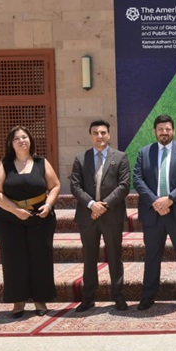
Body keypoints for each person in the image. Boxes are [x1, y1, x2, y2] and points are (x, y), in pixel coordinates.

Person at [0, 126, 60, 318]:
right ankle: (18, 301)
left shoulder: (41, 162)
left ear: (30, 140)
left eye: (24, 137)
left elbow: (55, 186)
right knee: (14, 259)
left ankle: (40, 300)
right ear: (10, 144)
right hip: (9, 220)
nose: (21, 141)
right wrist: (15, 210)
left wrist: (49, 205)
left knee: (41, 259)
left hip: (40, 219)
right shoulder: (4, 164)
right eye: (16, 138)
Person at [133, 114, 176, 310]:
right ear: (155, 131)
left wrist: (170, 199)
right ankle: (148, 295)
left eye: (168, 129)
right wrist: (155, 202)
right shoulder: (144, 152)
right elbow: (137, 180)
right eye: (161, 129)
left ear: (173, 131)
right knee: (152, 256)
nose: (164, 132)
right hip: (153, 213)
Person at [69, 120, 131, 313]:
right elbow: (75, 186)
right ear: (90, 135)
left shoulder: (120, 157)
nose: (99, 136)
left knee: (115, 257)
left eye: (103, 132)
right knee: (89, 258)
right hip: (87, 216)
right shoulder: (81, 158)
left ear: (109, 135)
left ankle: (118, 297)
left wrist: (104, 205)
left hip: (112, 215)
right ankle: (88, 298)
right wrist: (91, 204)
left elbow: (124, 186)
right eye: (95, 133)